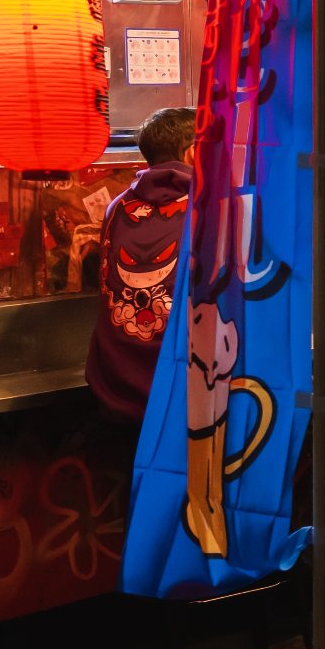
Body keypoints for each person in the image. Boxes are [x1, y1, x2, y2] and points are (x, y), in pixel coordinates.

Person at [85, 107, 195, 431]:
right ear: (193, 153)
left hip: (113, 384)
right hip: (181, 394)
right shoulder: (210, 207)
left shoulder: (116, 205)